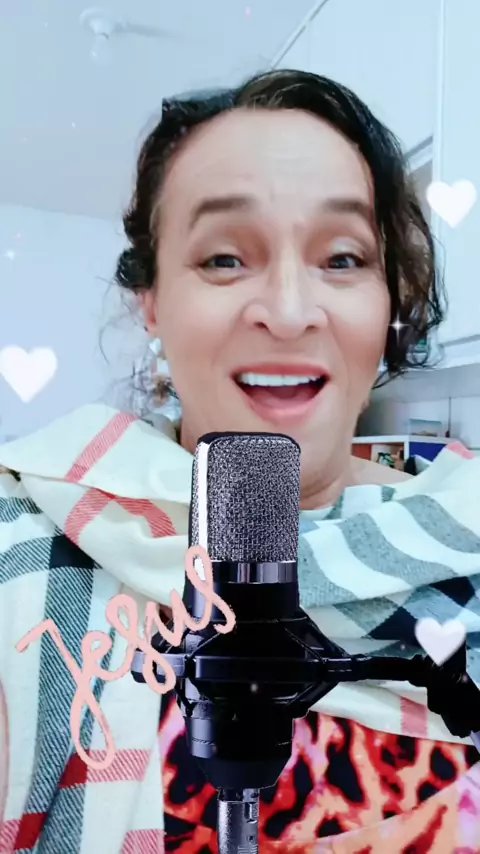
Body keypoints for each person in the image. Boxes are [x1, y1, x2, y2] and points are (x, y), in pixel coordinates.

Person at [1, 69, 480, 854]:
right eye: (224, 259)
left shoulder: (466, 548)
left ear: (390, 300)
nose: (288, 313)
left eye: (344, 258)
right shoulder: (25, 544)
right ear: (152, 301)